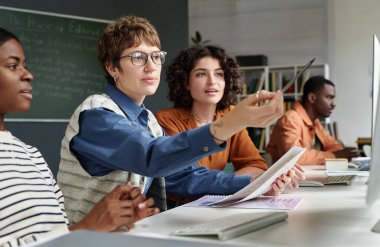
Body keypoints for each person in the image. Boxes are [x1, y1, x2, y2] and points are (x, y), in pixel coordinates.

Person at [57, 16, 303, 220]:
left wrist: (257, 184)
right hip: (89, 242)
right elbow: (152, 157)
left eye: (155, 56)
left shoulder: (147, 121)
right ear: (112, 68)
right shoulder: (96, 114)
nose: (151, 66)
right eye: (137, 57)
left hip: (131, 235)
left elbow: (183, 175)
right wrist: (230, 123)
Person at [0, 27, 159, 247]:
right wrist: (88, 226)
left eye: (24, 65)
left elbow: (59, 235)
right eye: (12, 66)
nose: (28, 74)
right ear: (112, 68)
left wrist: (110, 219)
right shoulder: (96, 111)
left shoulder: (31, 154)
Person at [155, 45, 288, 204]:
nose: (212, 82)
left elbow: (256, 165)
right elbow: (186, 180)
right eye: (201, 74)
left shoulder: (230, 116)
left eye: (219, 74)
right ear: (186, 83)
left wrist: (229, 185)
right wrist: (240, 183)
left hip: (217, 203)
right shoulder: (166, 120)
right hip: (178, 209)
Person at [266, 76, 359, 165]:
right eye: (329, 97)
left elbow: (336, 147)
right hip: (282, 179)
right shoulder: (290, 119)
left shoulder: (315, 122)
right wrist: (333, 156)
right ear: (312, 98)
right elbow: (293, 157)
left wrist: (318, 156)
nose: (333, 104)